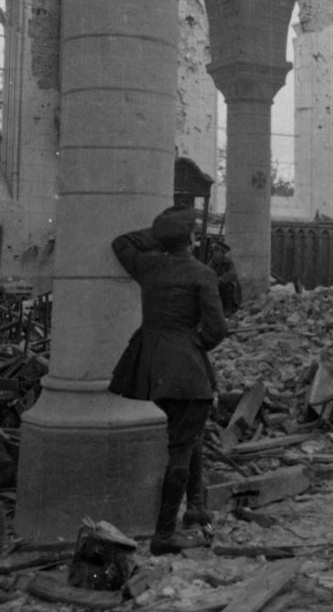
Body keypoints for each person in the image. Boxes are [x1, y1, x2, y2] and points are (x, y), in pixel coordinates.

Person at [109, 206, 228, 555]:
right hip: (186, 368)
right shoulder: (202, 273)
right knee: (181, 446)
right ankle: (164, 535)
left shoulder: (148, 267)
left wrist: (160, 234)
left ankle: (196, 507)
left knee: (188, 435)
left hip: (150, 366)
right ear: (190, 238)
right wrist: (194, 344)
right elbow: (217, 330)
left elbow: (122, 243)